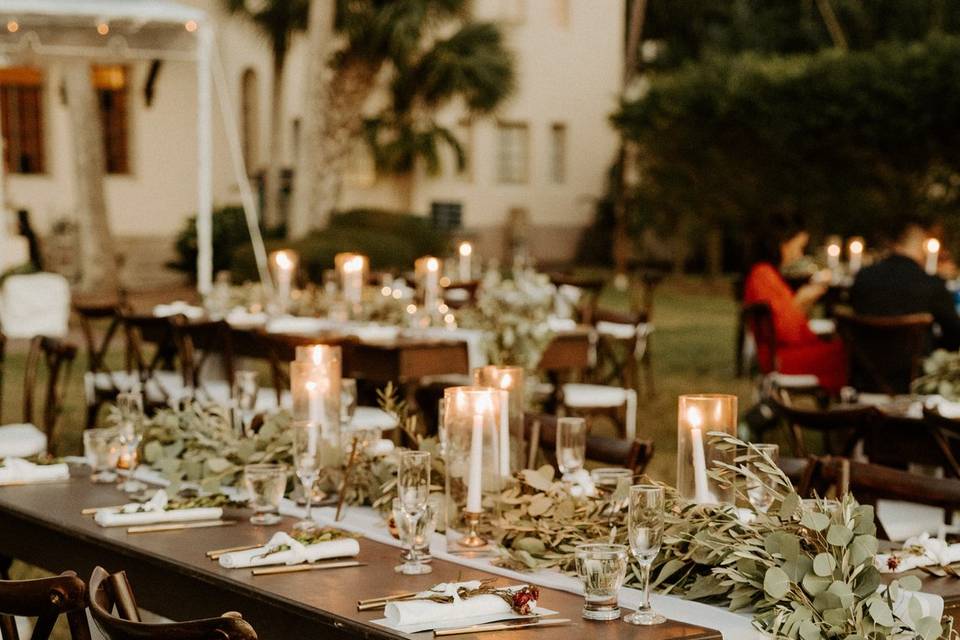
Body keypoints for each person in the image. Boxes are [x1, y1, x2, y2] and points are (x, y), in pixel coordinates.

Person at [742, 226, 847, 392]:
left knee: (846, 350)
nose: (799, 255)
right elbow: (783, 330)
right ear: (783, 246)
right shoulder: (763, 276)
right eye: (798, 247)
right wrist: (801, 300)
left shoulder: (769, 275)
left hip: (787, 352)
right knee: (850, 356)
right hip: (781, 359)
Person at [850, 216, 960, 350]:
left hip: (863, 364)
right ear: (922, 243)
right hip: (916, 368)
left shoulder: (864, 277)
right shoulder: (930, 284)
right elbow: (954, 334)